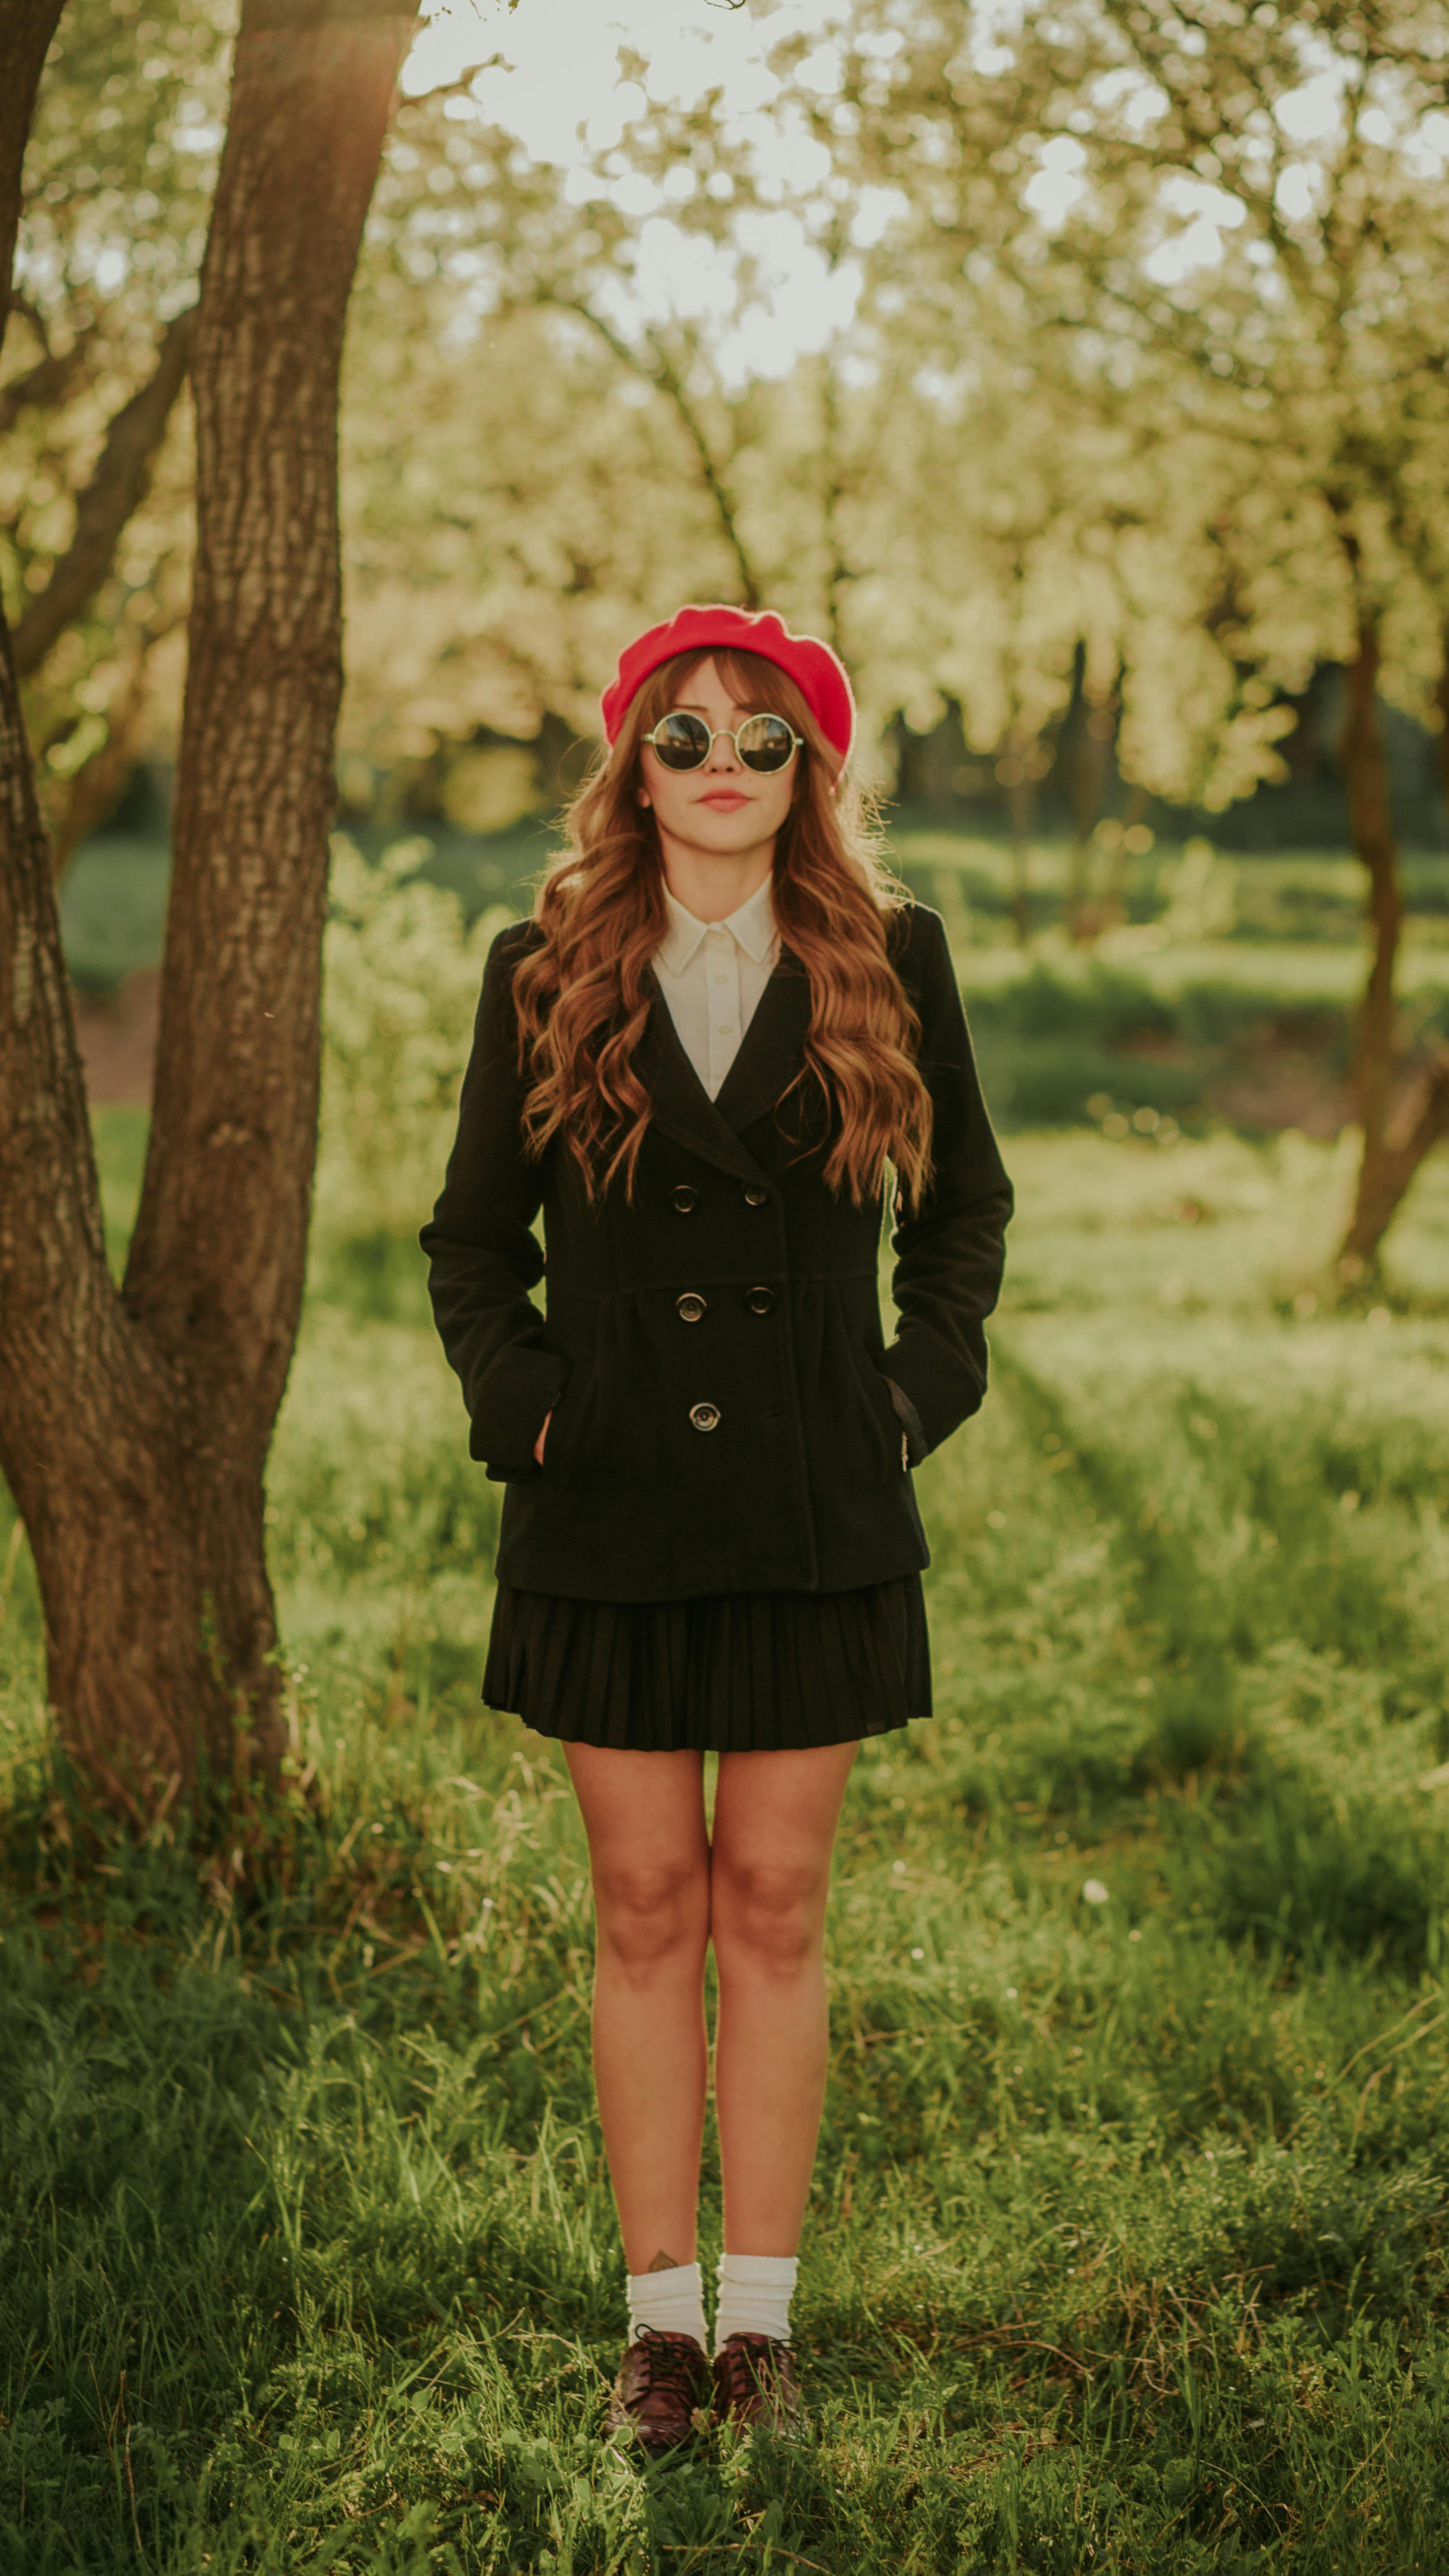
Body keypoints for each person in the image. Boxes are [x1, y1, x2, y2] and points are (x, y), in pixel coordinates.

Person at [422, 603, 1012, 2452]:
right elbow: (466, 1243)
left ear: (811, 770)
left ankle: (763, 2324)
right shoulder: (543, 964)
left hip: (811, 1504)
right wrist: (526, 1401)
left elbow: (968, 1212)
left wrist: (907, 1399)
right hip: (601, 1507)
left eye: (764, 740)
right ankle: (657, 2326)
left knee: (771, 1899)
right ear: (633, 763)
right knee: (643, 1900)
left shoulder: (891, 956)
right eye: (684, 737)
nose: (724, 770)